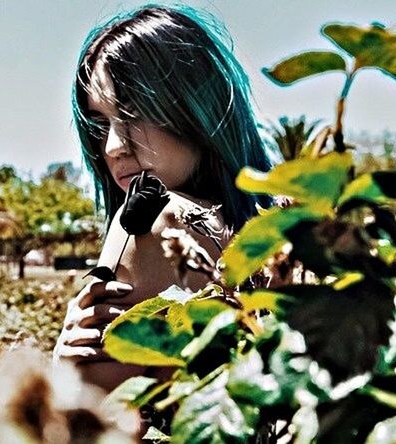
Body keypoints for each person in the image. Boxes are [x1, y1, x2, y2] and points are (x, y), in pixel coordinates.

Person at [53, 4, 274, 393]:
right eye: (100, 123)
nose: (114, 146)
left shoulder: (155, 218)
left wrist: (60, 375)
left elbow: (94, 416)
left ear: (194, 106)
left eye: (135, 114)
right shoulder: (283, 239)